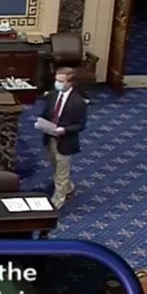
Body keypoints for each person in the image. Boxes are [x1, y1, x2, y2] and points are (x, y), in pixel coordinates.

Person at [41, 67, 87, 208]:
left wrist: (65, 130)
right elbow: (47, 113)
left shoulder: (78, 102)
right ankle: (68, 187)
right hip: (50, 137)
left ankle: (57, 201)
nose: (57, 83)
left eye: (61, 81)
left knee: (61, 173)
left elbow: (81, 125)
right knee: (56, 167)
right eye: (56, 80)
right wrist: (42, 122)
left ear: (70, 83)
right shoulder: (53, 94)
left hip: (65, 141)